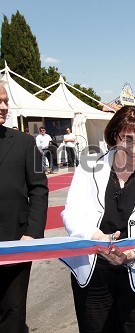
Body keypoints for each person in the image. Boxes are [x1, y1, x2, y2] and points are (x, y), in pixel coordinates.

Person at [61, 106, 135, 333]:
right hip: (93, 270)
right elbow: (72, 212)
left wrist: (131, 255)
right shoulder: (88, 166)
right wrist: (96, 237)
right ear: (114, 136)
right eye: (128, 139)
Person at [0, 82, 48, 333]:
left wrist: (32, 232)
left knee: (12, 311)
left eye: (6, 101)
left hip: (15, 242)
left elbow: (39, 188)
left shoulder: (25, 143)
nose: (4, 106)